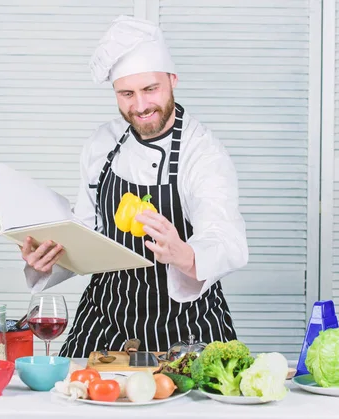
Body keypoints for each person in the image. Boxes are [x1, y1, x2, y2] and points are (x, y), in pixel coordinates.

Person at [21, 15, 249, 358]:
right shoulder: (102, 144)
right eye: (126, 93)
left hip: (187, 326)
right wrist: (47, 260)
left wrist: (183, 254)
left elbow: (225, 238)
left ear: (173, 80)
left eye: (150, 89)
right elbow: (85, 233)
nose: (140, 106)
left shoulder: (202, 153)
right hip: (105, 320)